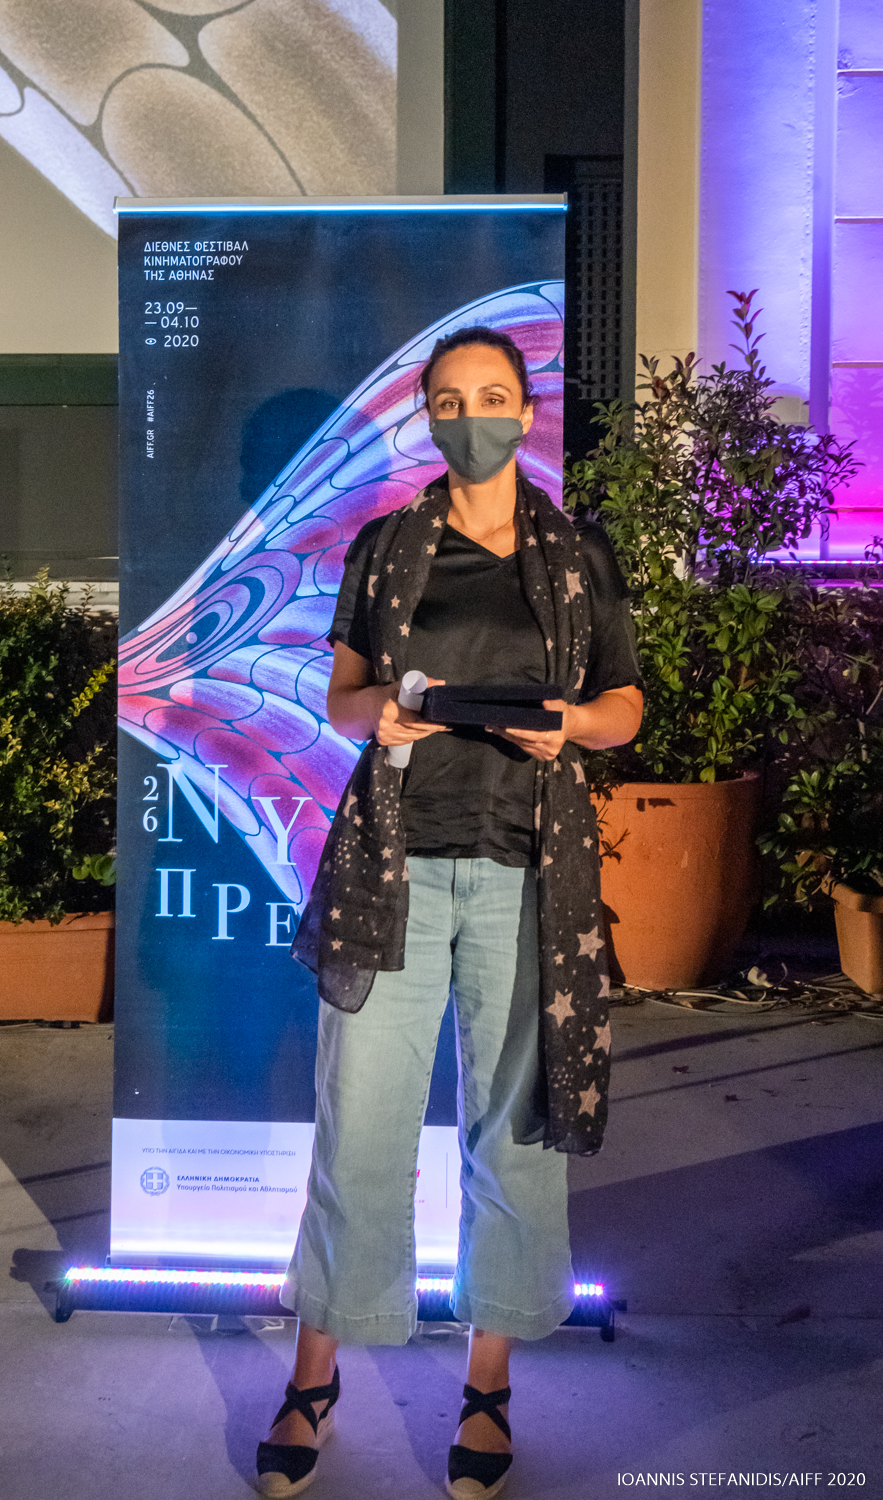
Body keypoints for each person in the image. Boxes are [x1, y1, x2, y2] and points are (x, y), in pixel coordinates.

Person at [255, 326, 643, 1499]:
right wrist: (380, 713)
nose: (473, 416)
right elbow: (340, 694)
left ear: (527, 410)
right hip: (398, 869)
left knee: (514, 1135)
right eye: (450, 400)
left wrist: (568, 727)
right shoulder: (386, 548)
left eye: (493, 395)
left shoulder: (576, 555)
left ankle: (488, 1385)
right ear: (427, 417)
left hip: (530, 875)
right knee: (359, 1130)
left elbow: (623, 703)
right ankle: (314, 1373)